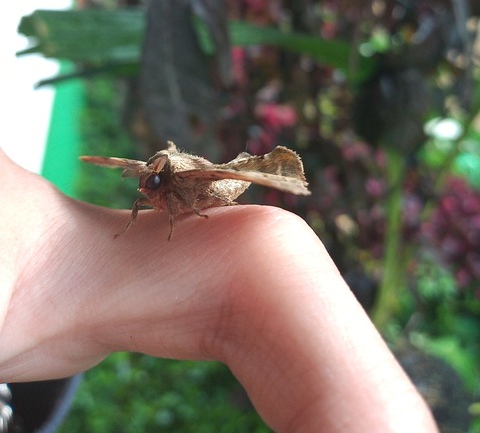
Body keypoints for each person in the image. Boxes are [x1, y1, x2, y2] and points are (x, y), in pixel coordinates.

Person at [0, 148, 438, 432]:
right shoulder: (152, 186)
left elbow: (198, 184)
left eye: (151, 185)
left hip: (218, 183)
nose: (144, 192)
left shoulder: (181, 186)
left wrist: (182, 213)